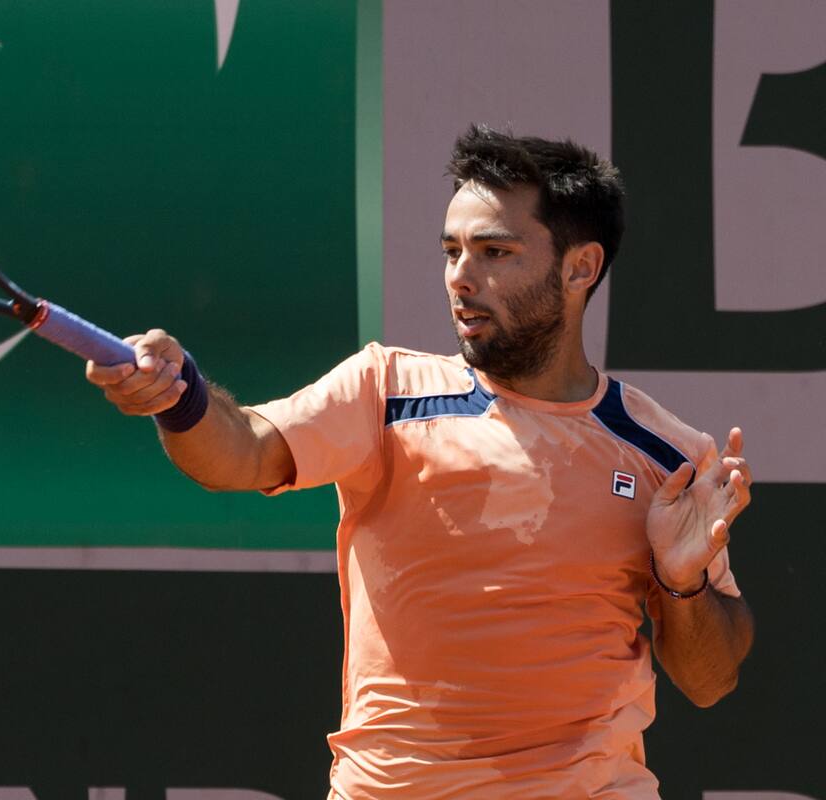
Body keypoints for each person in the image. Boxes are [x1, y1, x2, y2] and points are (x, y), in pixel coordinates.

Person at [85, 125, 755, 798]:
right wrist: (180, 400)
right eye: (452, 251)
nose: (461, 278)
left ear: (580, 268)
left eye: (494, 251)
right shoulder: (384, 393)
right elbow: (242, 451)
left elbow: (710, 678)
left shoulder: (667, 458)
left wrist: (682, 581)